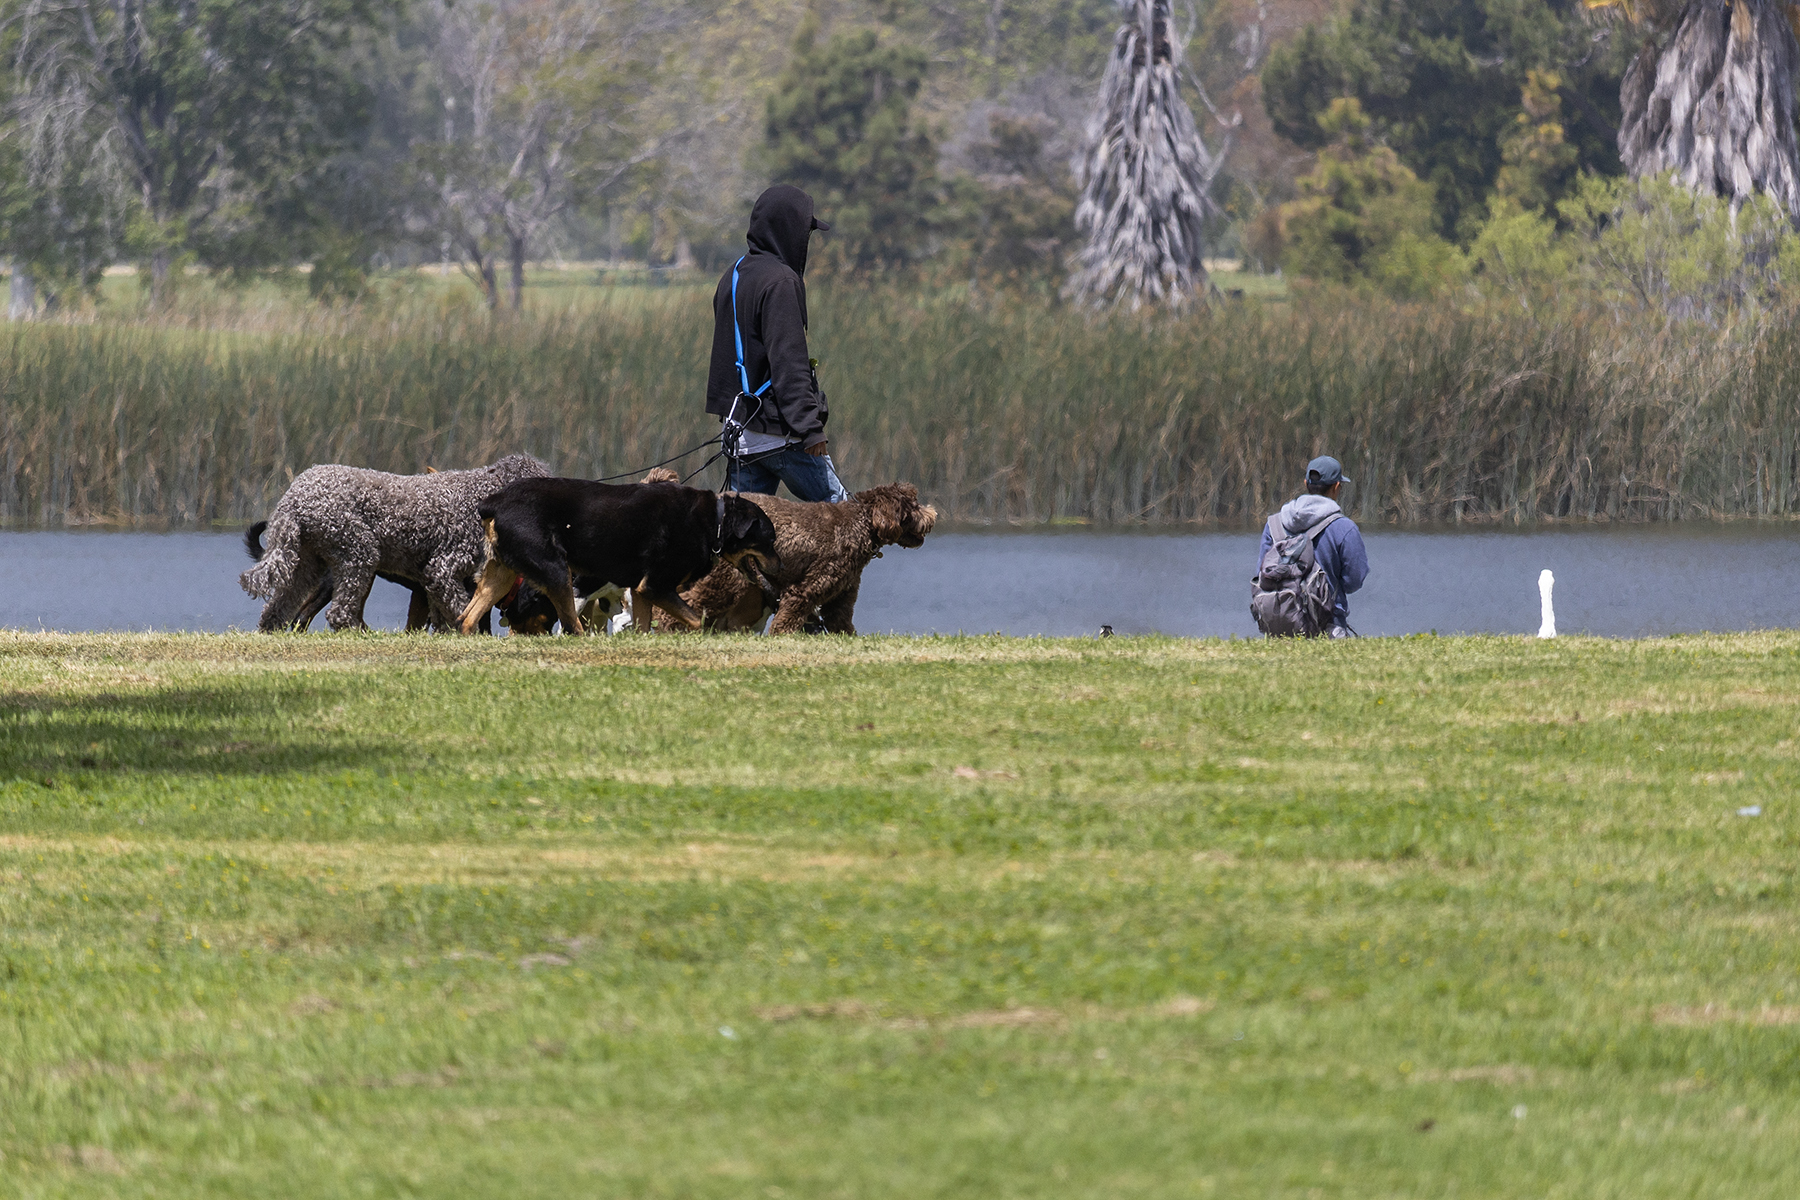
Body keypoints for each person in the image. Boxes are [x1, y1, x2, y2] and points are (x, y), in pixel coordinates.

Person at [706, 184, 849, 503]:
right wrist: (810, 429)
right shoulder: (781, 281)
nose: (807, 241)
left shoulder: (734, 275)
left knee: (742, 544)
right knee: (850, 527)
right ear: (788, 230)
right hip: (781, 436)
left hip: (742, 436)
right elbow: (790, 365)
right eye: (806, 231)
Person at [1258, 455, 1369, 637]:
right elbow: (1354, 581)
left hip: (1278, 625)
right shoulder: (1344, 528)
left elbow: (1261, 574)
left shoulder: (1274, 524)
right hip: (1329, 625)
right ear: (1337, 487)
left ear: (1305, 483)